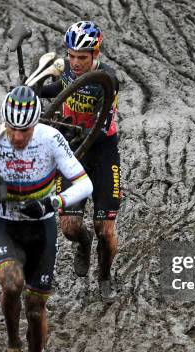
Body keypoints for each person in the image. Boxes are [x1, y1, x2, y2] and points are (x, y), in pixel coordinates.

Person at [0, 86, 93, 352]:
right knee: (11, 284)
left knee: (35, 309)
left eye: (24, 130)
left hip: (42, 227)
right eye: (12, 128)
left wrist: (54, 203)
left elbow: (84, 183)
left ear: (35, 124)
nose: (18, 136)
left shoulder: (50, 139)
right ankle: (13, 346)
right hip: (6, 225)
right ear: (4, 122)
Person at [39, 20, 121, 300]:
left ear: (95, 55)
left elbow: (102, 122)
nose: (75, 63)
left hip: (102, 153)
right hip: (74, 153)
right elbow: (56, 90)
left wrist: (76, 131)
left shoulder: (107, 79)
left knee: (105, 229)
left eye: (82, 58)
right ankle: (83, 245)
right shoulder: (68, 70)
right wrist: (31, 91)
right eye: (71, 56)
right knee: (70, 228)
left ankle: (105, 276)